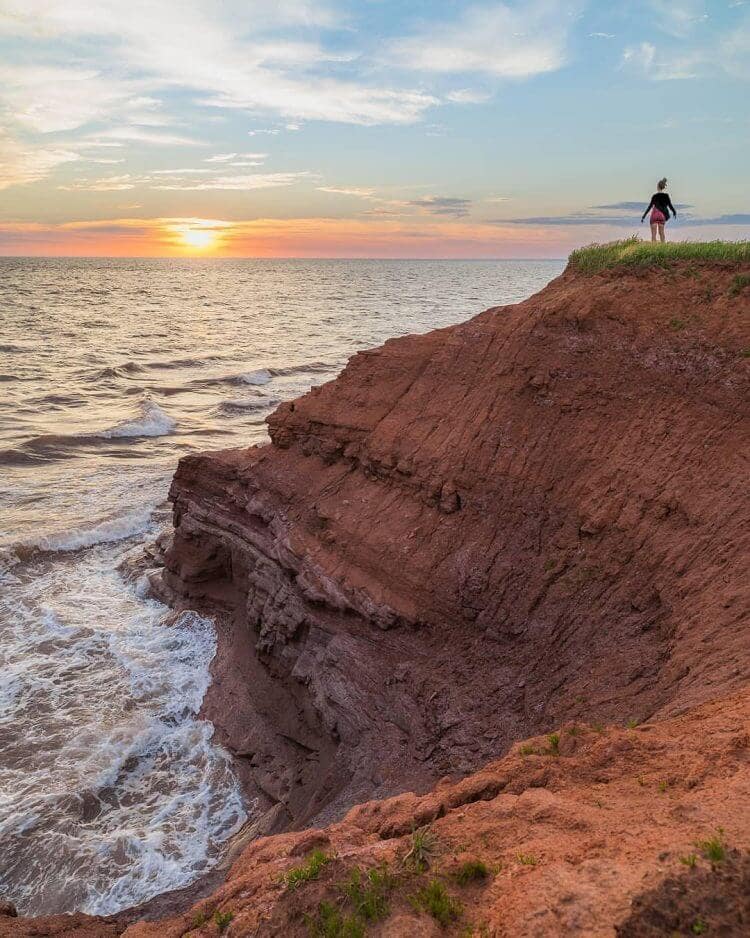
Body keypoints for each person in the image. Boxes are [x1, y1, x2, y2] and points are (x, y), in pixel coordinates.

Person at [641, 178, 677, 243]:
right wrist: (674, 212)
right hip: (662, 215)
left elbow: (649, 207)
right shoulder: (666, 196)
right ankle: (663, 248)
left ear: (657, 186)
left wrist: (643, 216)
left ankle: (654, 249)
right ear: (663, 187)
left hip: (654, 214)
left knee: (653, 235)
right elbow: (670, 205)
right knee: (662, 234)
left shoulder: (654, 196)